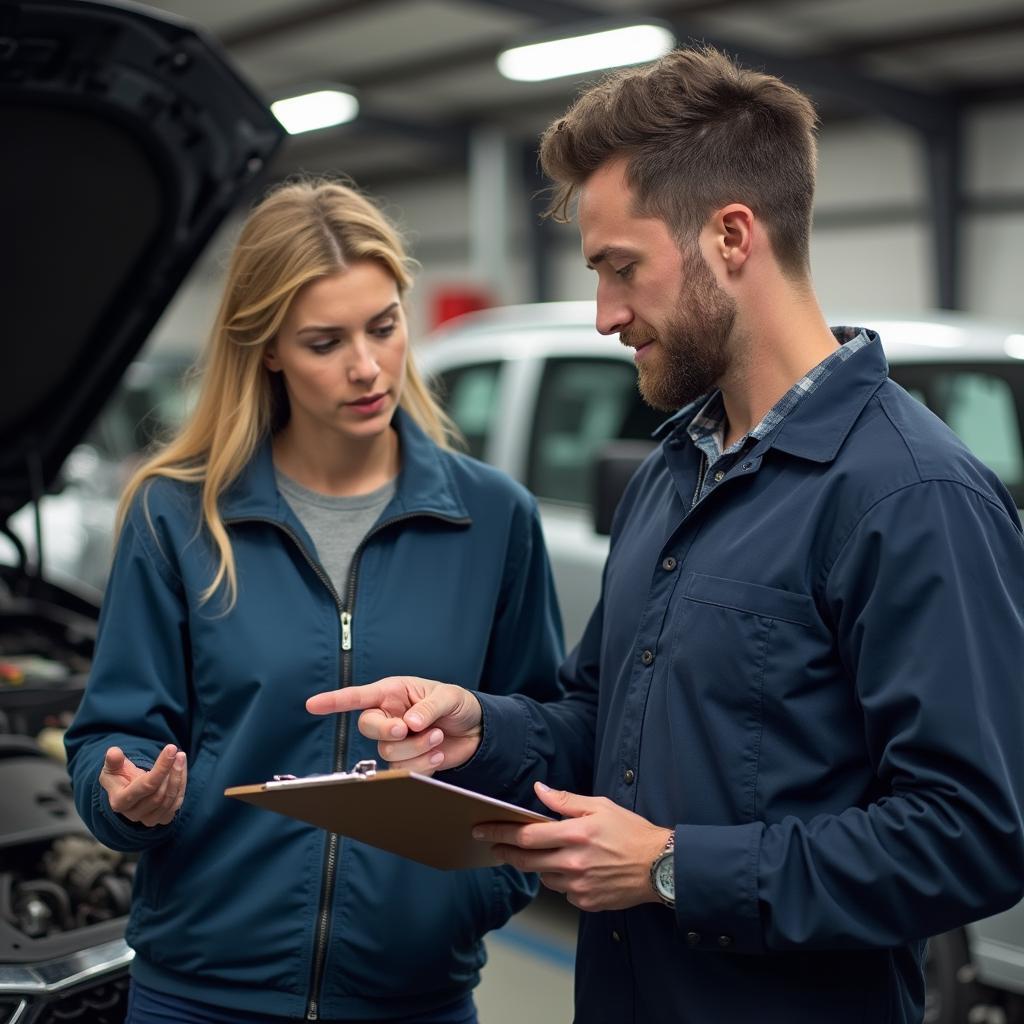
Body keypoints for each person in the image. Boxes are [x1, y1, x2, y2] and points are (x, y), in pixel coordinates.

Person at [307, 46, 1024, 1024]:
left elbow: (973, 834)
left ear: (731, 236)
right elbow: (599, 722)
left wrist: (677, 867)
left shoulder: (909, 496)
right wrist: (482, 727)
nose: (604, 314)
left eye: (620, 269)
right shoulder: (671, 471)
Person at [64, 178, 564, 1024]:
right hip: (201, 995)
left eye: (384, 325)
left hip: (415, 998)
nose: (367, 367)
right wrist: (123, 797)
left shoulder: (494, 518)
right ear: (267, 351)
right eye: (325, 342)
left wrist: (476, 897)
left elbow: (541, 739)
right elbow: (110, 733)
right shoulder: (179, 514)